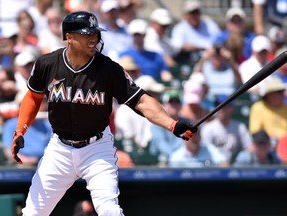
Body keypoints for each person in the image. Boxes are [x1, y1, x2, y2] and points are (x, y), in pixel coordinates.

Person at [10, 11, 197, 215]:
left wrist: (172, 124)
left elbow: (141, 101)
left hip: (96, 148)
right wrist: (20, 130)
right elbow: (33, 96)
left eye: (95, 33)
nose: (93, 38)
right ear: (69, 37)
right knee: (33, 212)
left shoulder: (109, 70)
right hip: (59, 149)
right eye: (86, 34)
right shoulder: (48, 64)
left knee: (109, 210)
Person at [200, 95, 252, 163]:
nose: (220, 109)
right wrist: (220, 161)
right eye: (217, 106)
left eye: (224, 107)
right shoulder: (208, 128)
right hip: (214, 165)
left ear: (232, 108)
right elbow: (205, 150)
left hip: (235, 166)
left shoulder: (239, 127)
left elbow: (249, 147)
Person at [149, 89, 188, 166]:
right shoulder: (157, 122)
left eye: (177, 102)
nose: (174, 105)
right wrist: (175, 157)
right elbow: (160, 143)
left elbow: (186, 143)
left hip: (182, 159)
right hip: (161, 160)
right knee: (163, 158)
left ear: (181, 105)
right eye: (171, 102)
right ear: (164, 105)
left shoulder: (187, 123)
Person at [249, 76, 287, 147]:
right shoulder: (258, 108)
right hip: (265, 145)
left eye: (281, 91)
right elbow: (255, 131)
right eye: (276, 92)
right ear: (268, 94)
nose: (280, 95)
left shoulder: (286, 108)